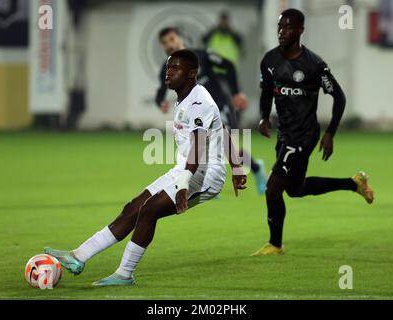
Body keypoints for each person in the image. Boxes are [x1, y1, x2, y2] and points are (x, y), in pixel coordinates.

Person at [44, 49, 247, 286]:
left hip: (205, 174)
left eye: (175, 68)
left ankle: (124, 274)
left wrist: (185, 182)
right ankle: (78, 256)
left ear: (192, 73)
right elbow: (221, 128)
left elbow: (198, 147)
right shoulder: (189, 95)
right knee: (133, 207)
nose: (167, 73)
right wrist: (237, 166)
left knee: (149, 210)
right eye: (168, 67)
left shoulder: (198, 102)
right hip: (185, 168)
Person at [252, 9, 374, 256]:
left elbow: (339, 98)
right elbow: (266, 91)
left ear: (300, 31)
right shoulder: (269, 61)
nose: (282, 32)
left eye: (288, 28)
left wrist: (330, 133)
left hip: (304, 136)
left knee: (273, 187)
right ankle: (354, 184)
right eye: (279, 27)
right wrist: (264, 116)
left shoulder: (314, 65)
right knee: (295, 190)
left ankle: (275, 244)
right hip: (285, 134)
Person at [156, 27, 267, 194]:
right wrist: (160, 102)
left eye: (172, 39)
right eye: (164, 42)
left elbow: (228, 66)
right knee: (202, 151)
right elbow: (160, 90)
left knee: (228, 148)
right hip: (195, 115)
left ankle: (257, 169)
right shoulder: (167, 68)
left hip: (219, 106)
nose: (169, 44)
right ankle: (206, 184)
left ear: (180, 38)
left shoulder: (201, 55)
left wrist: (236, 93)